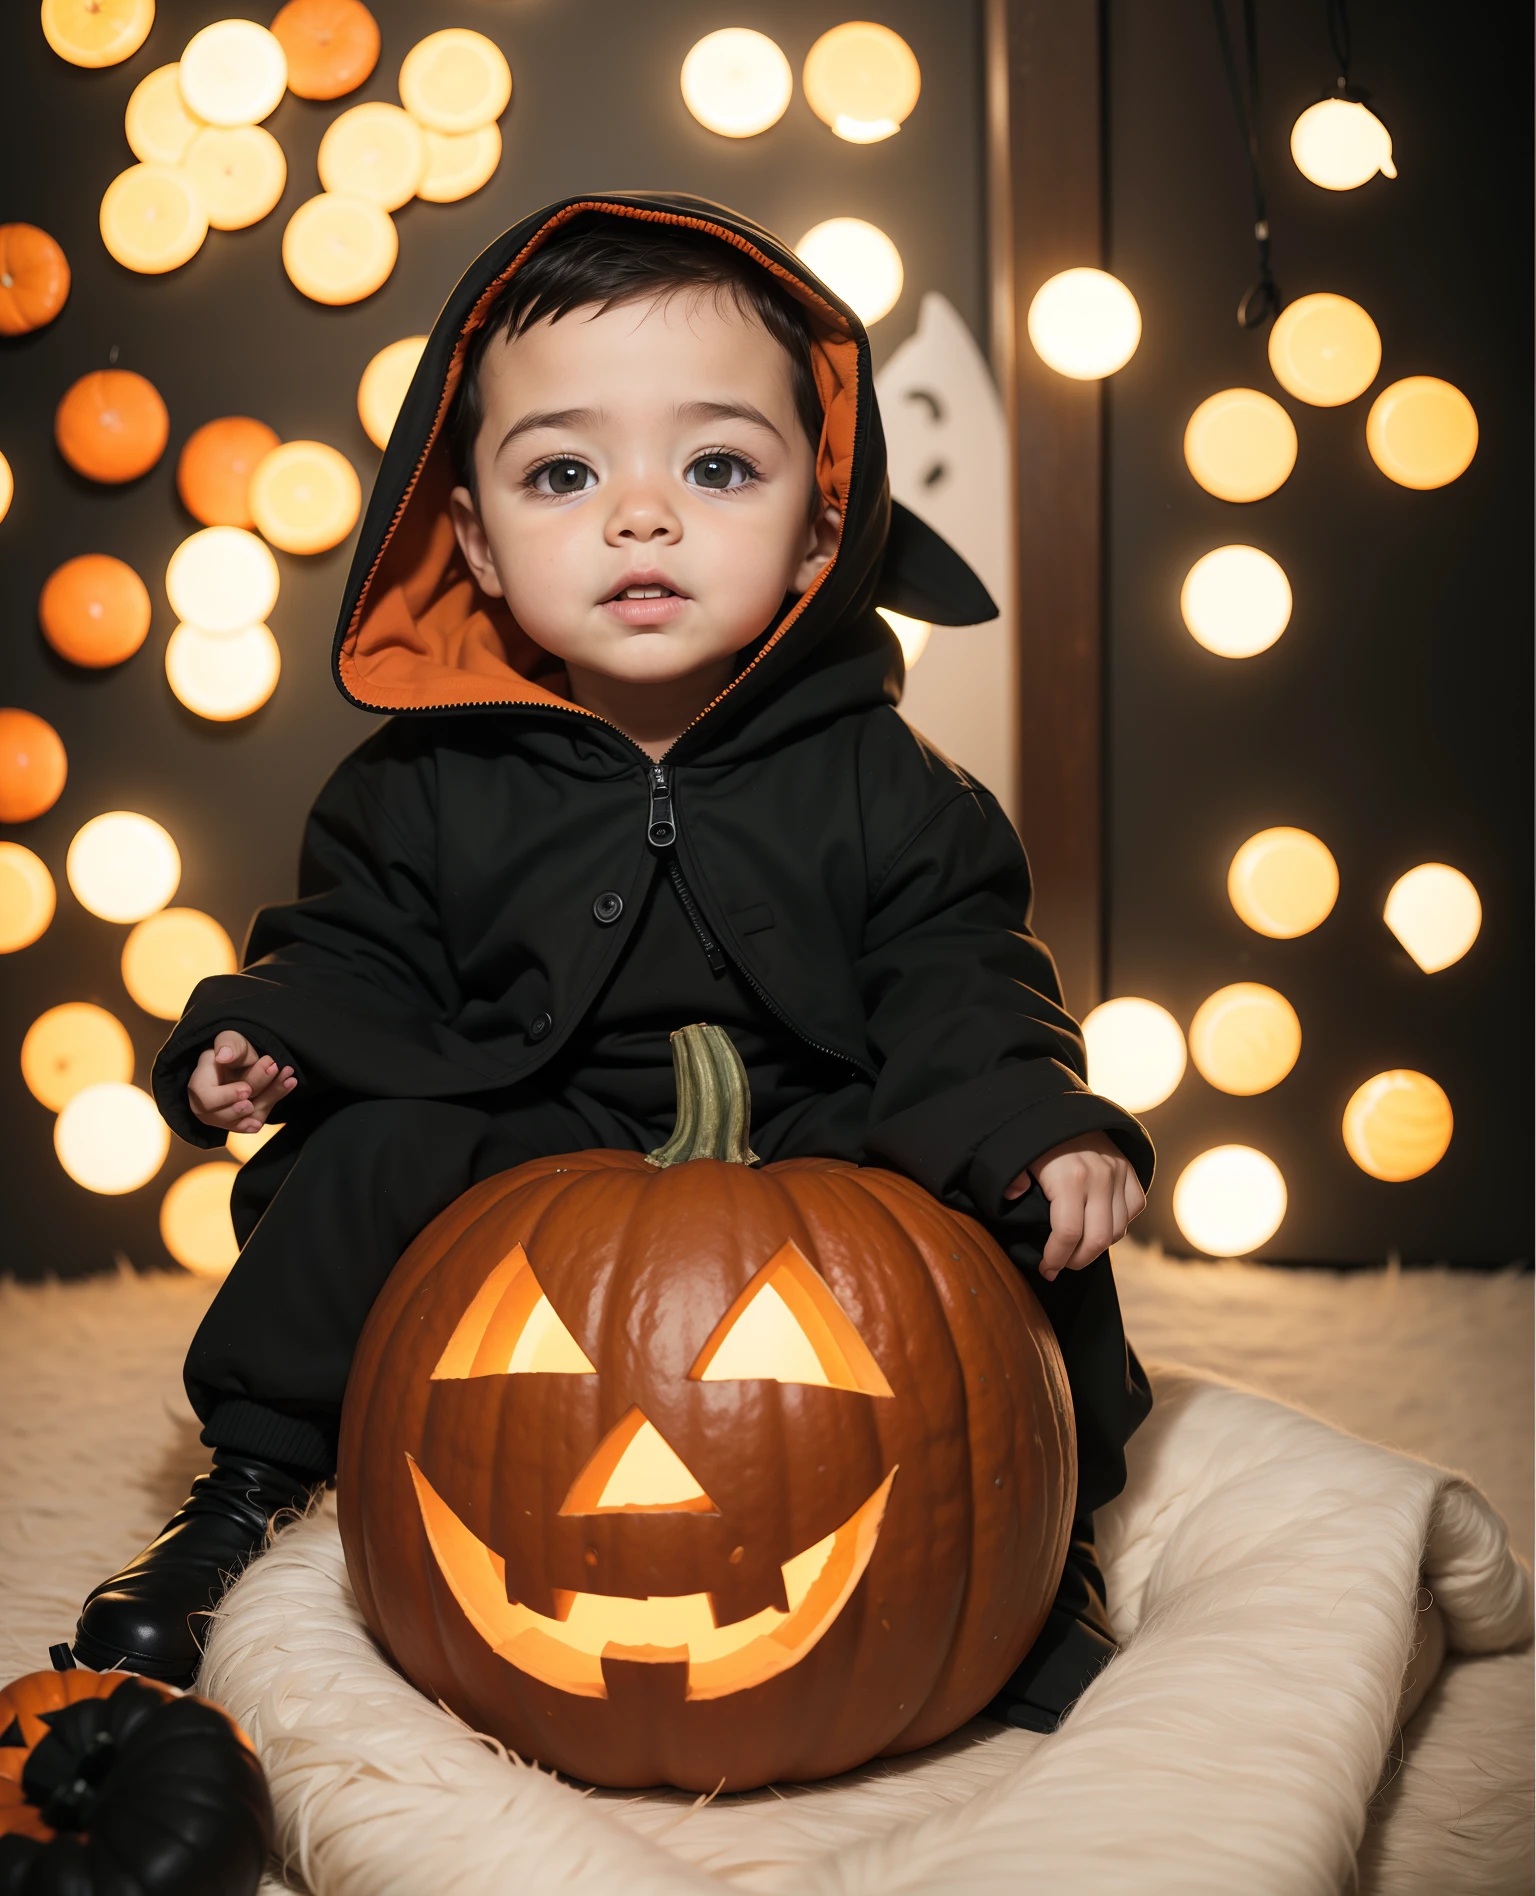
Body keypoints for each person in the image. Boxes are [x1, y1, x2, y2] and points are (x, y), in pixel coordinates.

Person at [71, 194, 1154, 1737]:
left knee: (1010, 1225)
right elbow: (354, 946)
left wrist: (1030, 1118)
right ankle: (242, 1485)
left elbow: (956, 965)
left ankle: (1047, 1550)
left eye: (716, 468)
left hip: (817, 1133)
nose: (640, 516)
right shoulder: (419, 782)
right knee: (365, 1156)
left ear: (818, 533)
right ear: (475, 546)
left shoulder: (887, 780)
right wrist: (268, 1034)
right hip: (527, 1135)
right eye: (564, 473)